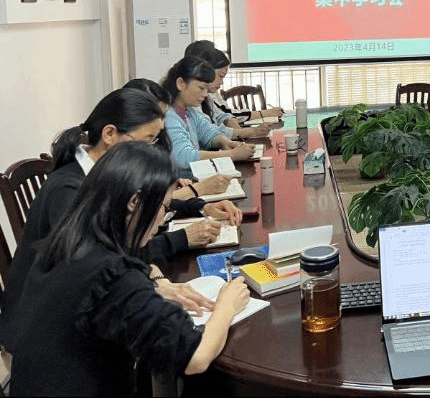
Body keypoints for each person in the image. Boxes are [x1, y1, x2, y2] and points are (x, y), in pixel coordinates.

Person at [0, 142, 250, 396]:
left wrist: (156, 282)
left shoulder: (71, 236)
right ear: (134, 202)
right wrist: (227, 306)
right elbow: (196, 357)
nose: (162, 219)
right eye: (164, 208)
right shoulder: (112, 274)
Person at [0, 88, 240, 318]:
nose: (153, 151)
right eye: (147, 141)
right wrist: (176, 249)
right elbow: (105, 260)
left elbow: (143, 210)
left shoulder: (106, 174)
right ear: (109, 134)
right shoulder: (69, 189)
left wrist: (200, 206)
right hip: (43, 318)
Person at [122, 77, 239, 204]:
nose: (162, 124)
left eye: (163, 116)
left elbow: (208, 133)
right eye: (201, 87)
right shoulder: (120, 156)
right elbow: (144, 204)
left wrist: (170, 182)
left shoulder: (186, 113)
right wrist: (198, 189)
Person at [162, 56, 254, 175]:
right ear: (181, 83)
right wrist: (232, 154)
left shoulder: (189, 112)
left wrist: (224, 142)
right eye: (201, 88)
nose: (205, 94)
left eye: (206, 89)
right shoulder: (168, 116)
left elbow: (209, 134)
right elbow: (183, 157)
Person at [185, 40, 283, 122]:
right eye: (220, 76)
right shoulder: (189, 99)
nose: (221, 82)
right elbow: (221, 119)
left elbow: (222, 117)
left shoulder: (207, 96)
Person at [197, 48, 273, 140]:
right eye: (220, 76)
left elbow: (220, 115)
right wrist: (250, 132)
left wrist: (229, 119)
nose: (222, 82)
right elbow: (208, 132)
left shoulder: (207, 98)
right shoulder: (192, 103)